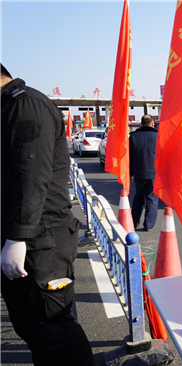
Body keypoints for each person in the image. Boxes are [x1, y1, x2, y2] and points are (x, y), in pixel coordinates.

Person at [1, 63, 94, 365]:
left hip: (41, 241)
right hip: (27, 238)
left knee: (54, 330)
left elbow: (32, 177)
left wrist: (17, 236)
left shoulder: (25, 105)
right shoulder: (8, 106)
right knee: (32, 328)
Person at [130, 114, 159, 231]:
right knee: (152, 198)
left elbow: (129, 157)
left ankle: (134, 222)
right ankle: (148, 225)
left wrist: (130, 172)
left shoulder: (133, 136)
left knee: (138, 197)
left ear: (141, 123)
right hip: (154, 173)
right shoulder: (158, 136)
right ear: (152, 124)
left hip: (138, 173)